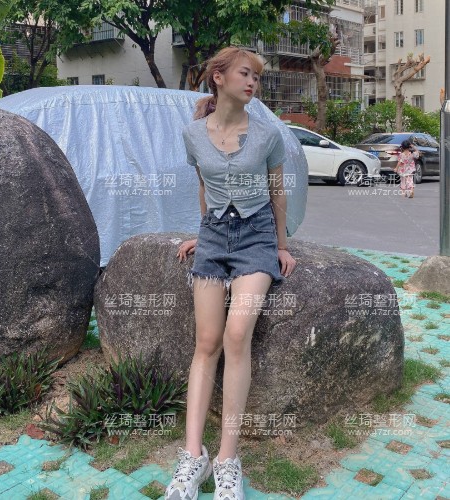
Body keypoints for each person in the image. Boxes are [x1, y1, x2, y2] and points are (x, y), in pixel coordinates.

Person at [165, 46, 297, 500]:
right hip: (214, 236)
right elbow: (205, 187)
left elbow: (277, 192)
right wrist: (202, 234)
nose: (253, 83)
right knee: (206, 342)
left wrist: (281, 245)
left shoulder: (266, 135)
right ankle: (192, 456)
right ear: (218, 77)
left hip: (256, 237)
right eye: (246, 74)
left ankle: (227, 460)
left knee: (236, 335)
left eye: (257, 77)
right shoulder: (193, 134)